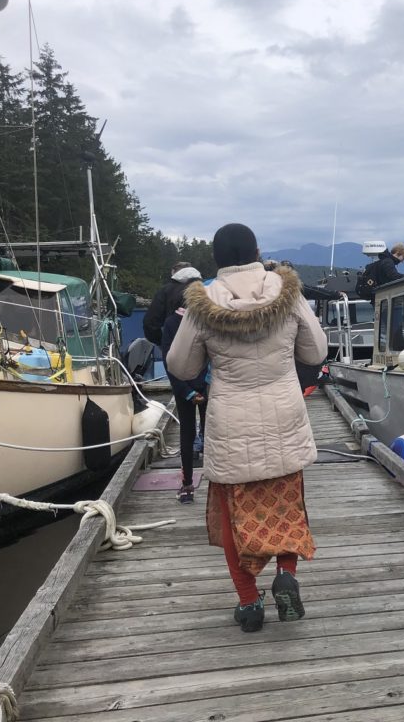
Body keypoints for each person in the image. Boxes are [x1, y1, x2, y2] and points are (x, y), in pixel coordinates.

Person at [167, 223, 328, 633]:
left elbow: (181, 366)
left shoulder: (204, 302)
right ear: (257, 250)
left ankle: (248, 602)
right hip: (284, 418)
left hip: (231, 424)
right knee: (287, 507)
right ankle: (286, 576)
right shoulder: (286, 292)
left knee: (231, 518)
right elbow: (316, 350)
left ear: (217, 259)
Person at [159, 266, 208, 504]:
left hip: (184, 389)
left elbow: (169, 362)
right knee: (210, 436)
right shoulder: (206, 320)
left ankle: (187, 485)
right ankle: (215, 485)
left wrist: (187, 392)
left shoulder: (169, 323)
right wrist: (203, 387)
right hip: (205, 387)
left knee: (186, 436)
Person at [143, 261, 194, 345]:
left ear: (173, 273)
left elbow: (150, 323)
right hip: (201, 346)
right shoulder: (204, 288)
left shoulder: (165, 291)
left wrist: (161, 342)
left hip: (174, 344)